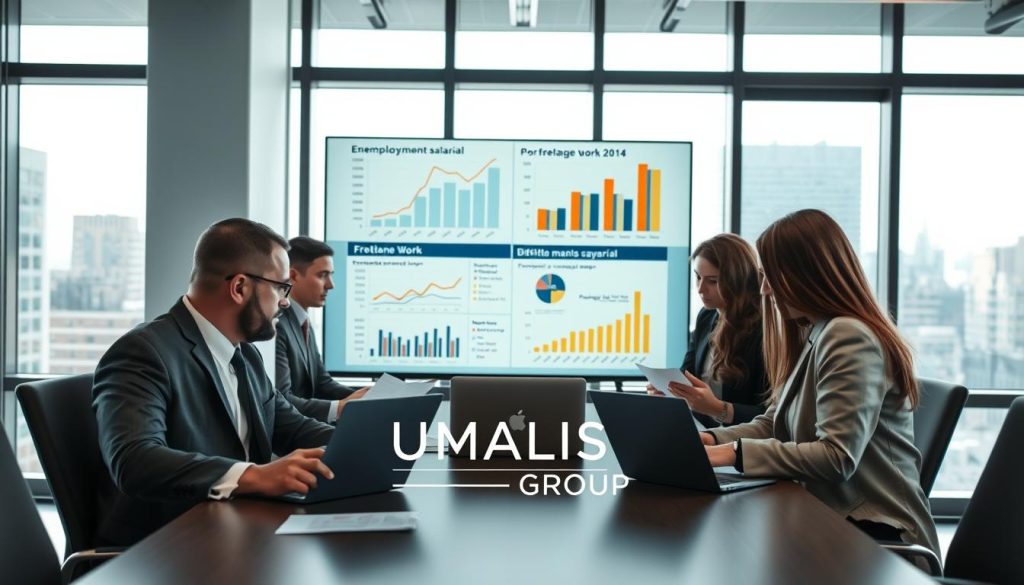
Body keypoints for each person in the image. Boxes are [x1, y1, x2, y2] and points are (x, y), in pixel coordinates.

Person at [702, 209, 940, 557]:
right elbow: (775, 423)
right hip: (832, 521)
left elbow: (835, 456)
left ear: (804, 274)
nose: (765, 290)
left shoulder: (848, 335)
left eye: (770, 277)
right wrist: (707, 439)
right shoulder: (815, 331)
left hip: (880, 538)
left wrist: (728, 454)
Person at [93, 218, 337, 547]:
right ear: (239, 288)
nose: (284, 303)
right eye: (281, 288)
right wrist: (254, 475)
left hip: (239, 535)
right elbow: (135, 460)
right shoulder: (143, 353)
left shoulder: (245, 355)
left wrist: (363, 443)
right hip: (169, 549)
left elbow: (289, 424)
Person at [648, 233, 768, 427]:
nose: (701, 289)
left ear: (738, 280)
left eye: (712, 281)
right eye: (698, 277)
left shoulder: (765, 331)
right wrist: (670, 390)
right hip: (705, 433)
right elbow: (687, 375)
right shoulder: (706, 317)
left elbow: (772, 416)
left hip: (744, 444)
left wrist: (718, 409)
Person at [276, 236, 368, 423]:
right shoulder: (277, 325)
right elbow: (283, 398)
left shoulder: (302, 321)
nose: (330, 285)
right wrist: (341, 407)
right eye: (322, 275)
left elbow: (321, 383)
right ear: (293, 276)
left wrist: (368, 399)